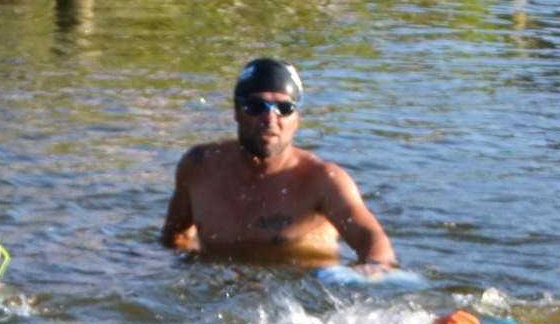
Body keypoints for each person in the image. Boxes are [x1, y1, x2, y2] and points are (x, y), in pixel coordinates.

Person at [160, 58, 398, 269]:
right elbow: (174, 237)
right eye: (256, 107)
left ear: (297, 118)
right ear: (236, 112)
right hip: (222, 293)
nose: (270, 119)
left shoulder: (322, 180)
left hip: (301, 301)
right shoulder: (200, 167)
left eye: (284, 108)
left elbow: (373, 240)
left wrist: (374, 268)